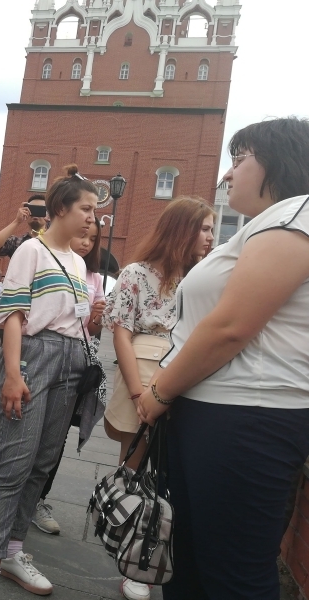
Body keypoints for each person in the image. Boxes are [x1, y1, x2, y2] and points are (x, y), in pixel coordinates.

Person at [135, 117, 309, 600]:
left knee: (233, 574)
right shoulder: (265, 225)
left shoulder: (295, 216)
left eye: (240, 159)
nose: (228, 173)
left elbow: (231, 326)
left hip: (246, 417)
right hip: (219, 413)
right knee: (188, 563)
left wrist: (157, 393)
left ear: (279, 162)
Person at [0, 165, 98, 600]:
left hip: (71, 362)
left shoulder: (79, 261)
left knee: (42, 463)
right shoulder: (31, 250)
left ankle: (13, 550)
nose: (92, 218)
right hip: (34, 356)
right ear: (61, 208)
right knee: (14, 462)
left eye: (94, 211)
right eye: (86, 208)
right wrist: (12, 374)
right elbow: (12, 315)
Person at [101, 197, 214, 600]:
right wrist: (136, 391)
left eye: (211, 228)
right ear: (181, 230)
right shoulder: (135, 272)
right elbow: (121, 333)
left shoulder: (203, 277)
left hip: (189, 376)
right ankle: (135, 560)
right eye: (203, 228)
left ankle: (166, 554)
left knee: (174, 471)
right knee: (135, 469)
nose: (210, 237)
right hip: (143, 370)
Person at [32, 219, 107, 537]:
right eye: (82, 235)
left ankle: (37, 500)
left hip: (76, 362)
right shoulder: (46, 260)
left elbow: (91, 329)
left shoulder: (94, 277)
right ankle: (12, 496)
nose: (86, 242)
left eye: (93, 239)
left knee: (56, 438)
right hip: (42, 356)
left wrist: (97, 317)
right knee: (28, 431)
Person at [0, 194, 48, 258]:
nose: (36, 214)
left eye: (41, 210)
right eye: (33, 209)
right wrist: (17, 221)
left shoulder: (53, 242)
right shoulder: (16, 242)